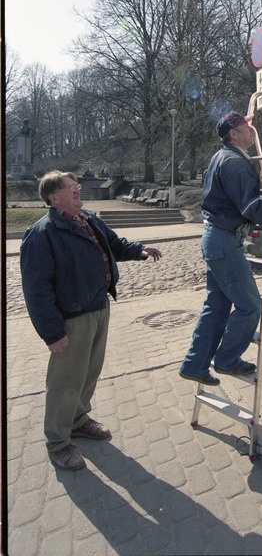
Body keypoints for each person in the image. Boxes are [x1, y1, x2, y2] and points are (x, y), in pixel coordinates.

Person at [20, 170, 162, 471]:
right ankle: (58, 442)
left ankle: (78, 420)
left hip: (98, 308)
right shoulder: (42, 234)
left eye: (77, 186)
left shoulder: (90, 219)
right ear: (53, 198)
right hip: (71, 318)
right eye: (71, 188)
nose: (77, 191)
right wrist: (52, 333)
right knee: (65, 382)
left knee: (88, 375)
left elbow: (114, 245)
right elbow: (37, 290)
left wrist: (140, 250)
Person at [179, 111, 262, 386]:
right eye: (245, 127)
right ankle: (227, 360)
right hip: (225, 242)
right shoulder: (236, 163)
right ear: (233, 134)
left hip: (216, 238)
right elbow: (250, 207)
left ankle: (194, 364)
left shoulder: (220, 157)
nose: (251, 131)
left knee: (216, 307)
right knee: (250, 307)